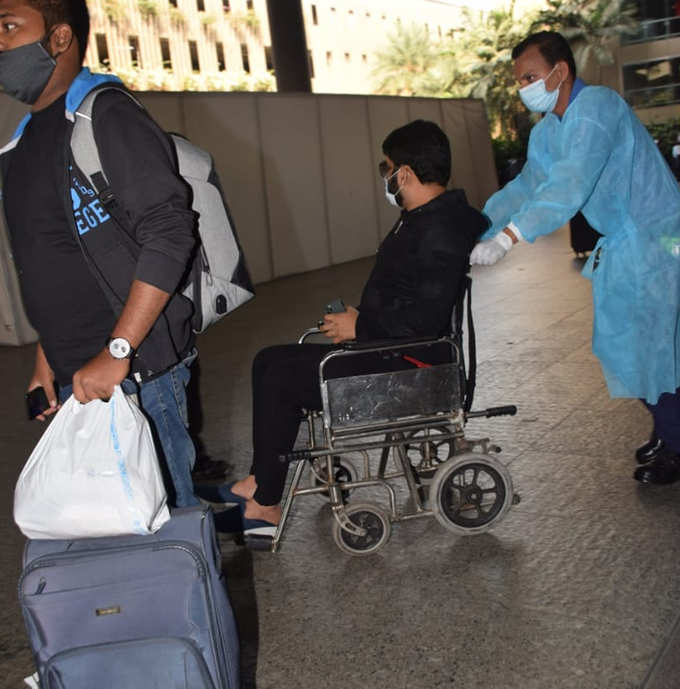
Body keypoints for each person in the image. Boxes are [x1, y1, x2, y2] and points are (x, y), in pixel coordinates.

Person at [200, 120, 487, 544]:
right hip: (394, 349)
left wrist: (363, 325)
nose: (385, 177)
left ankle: (264, 504)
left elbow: (425, 319)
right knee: (271, 361)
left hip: (404, 364)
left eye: (386, 168)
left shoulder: (437, 229)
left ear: (404, 173)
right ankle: (259, 487)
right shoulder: (427, 218)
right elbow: (410, 299)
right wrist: (360, 318)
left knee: (278, 372)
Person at [0, 0, 199, 506]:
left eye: (7, 26)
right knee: (108, 533)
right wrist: (48, 360)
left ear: (60, 38)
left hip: (134, 373)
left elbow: (170, 232)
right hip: (78, 374)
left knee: (164, 531)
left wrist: (117, 353)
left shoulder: (106, 115)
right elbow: (59, 257)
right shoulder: (21, 146)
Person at [470, 31, 680, 485]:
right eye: (519, 80)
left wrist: (508, 237)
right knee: (629, 348)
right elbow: (528, 186)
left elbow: (569, 184)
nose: (523, 87)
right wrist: (476, 225)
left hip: (657, 239)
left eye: (530, 76)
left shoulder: (598, 108)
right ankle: (671, 430)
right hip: (626, 245)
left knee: (655, 347)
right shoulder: (549, 131)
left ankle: (677, 443)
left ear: (560, 71)